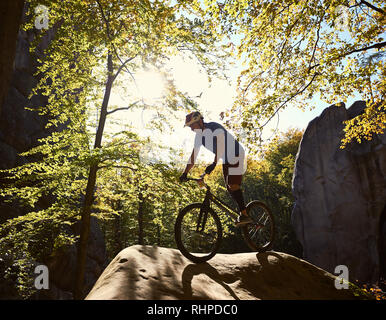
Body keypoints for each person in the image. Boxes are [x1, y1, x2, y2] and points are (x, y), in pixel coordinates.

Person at [179, 111, 252, 227]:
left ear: (200, 121)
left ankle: (244, 214)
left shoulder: (214, 127)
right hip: (226, 159)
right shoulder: (199, 138)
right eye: (190, 127)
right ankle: (242, 210)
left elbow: (221, 145)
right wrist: (185, 173)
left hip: (236, 153)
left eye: (192, 125)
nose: (191, 129)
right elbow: (193, 156)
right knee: (230, 188)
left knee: (233, 185)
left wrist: (214, 163)